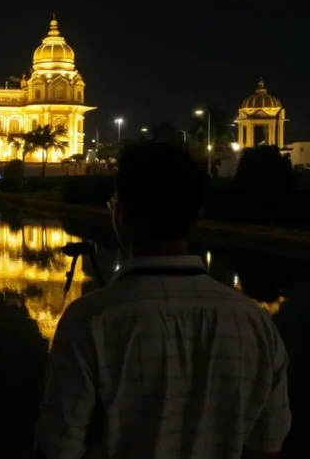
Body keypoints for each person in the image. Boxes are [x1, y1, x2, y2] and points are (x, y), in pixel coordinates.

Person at [37, 143, 290, 459]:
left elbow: (59, 448)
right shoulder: (255, 323)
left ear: (119, 215)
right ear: (197, 216)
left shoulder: (89, 321)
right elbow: (268, 446)